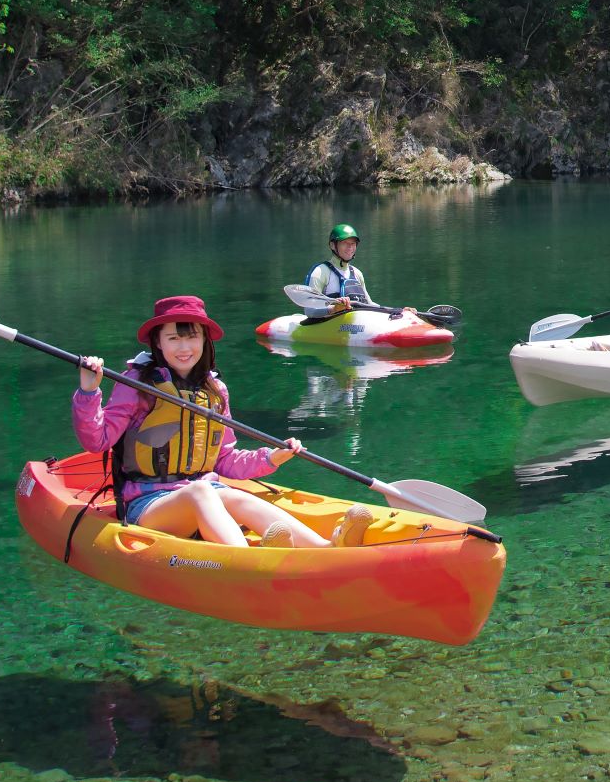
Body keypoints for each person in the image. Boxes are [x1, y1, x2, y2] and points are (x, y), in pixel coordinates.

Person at [74, 295, 368, 548]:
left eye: (191, 336)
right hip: (147, 503)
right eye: (173, 338)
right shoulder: (137, 382)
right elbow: (96, 441)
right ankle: (245, 559)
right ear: (158, 343)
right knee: (202, 491)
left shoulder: (214, 391)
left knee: (238, 498)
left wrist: (271, 458)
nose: (183, 347)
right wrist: (89, 391)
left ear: (204, 339)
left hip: (205, 494)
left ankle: (325, 545)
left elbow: (224, 460)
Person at [306, 223, 418, 320]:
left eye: (353, 243)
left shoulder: (356, 273)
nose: (350, 247)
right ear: (332, 245)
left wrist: (398, 311)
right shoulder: (321, 272)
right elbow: (309, 311)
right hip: (329, 326)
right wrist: (334, 309)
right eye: (345, 242)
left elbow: (369, 305)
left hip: (357, 325)